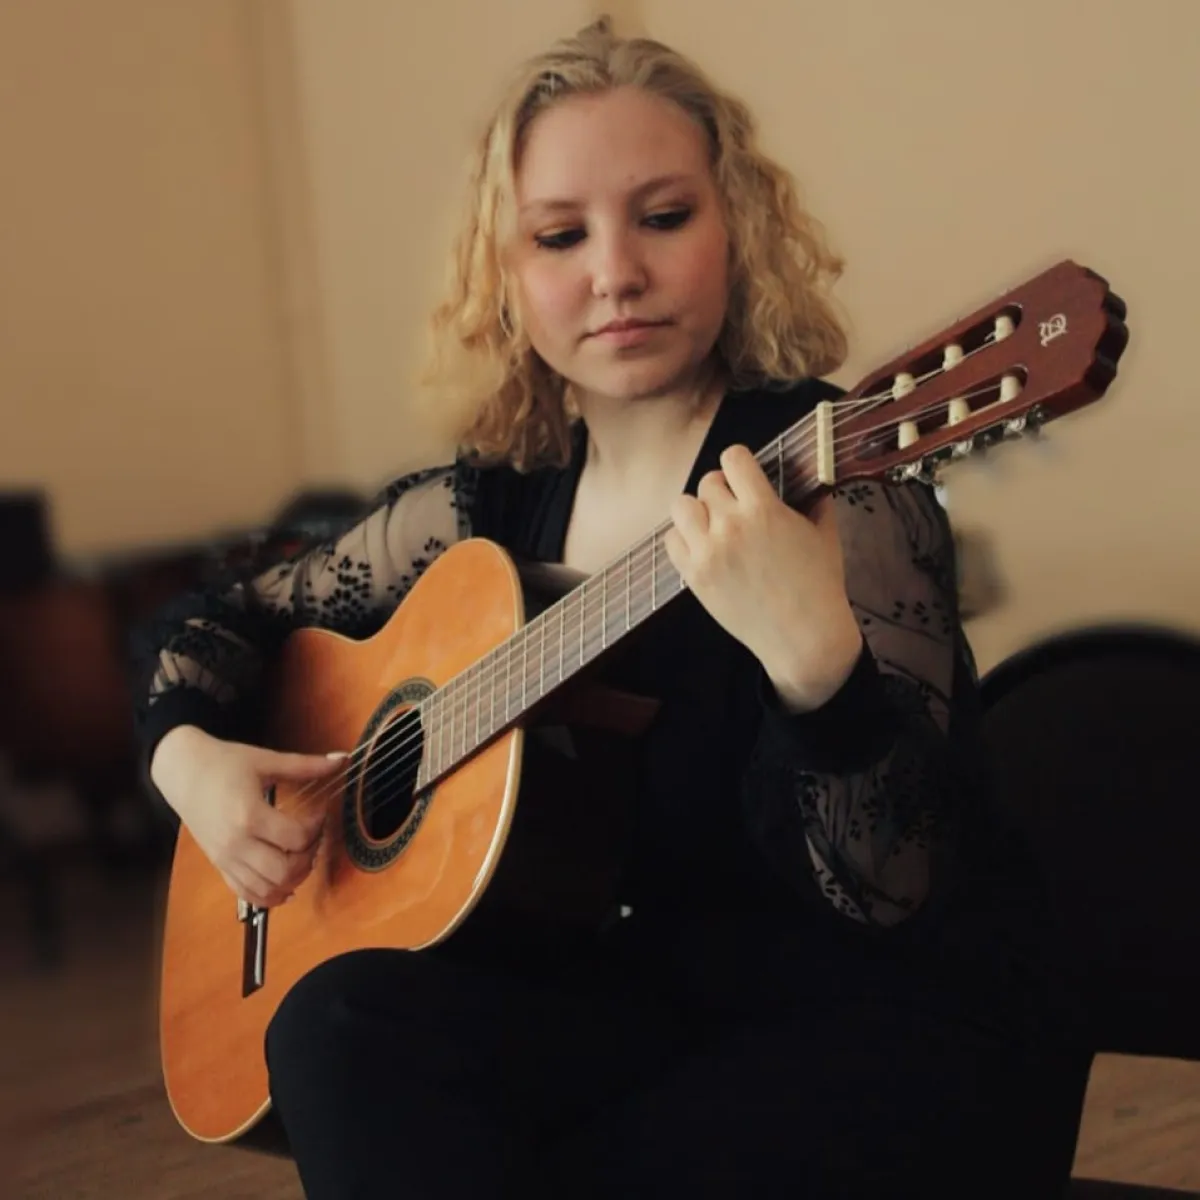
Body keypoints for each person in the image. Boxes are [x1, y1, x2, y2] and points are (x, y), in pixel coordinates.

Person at [133, 18, 1091, 1199]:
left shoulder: (842, 485)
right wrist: (190, 762)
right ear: (504, 274)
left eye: (665, 216)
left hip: (882, 1034)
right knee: (337, 1029)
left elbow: (893, 884)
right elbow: (214, 621)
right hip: (650, 1005)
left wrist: (816, 665)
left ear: (738, 229)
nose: (615, 273)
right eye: (559, 235)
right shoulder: (487, 505)